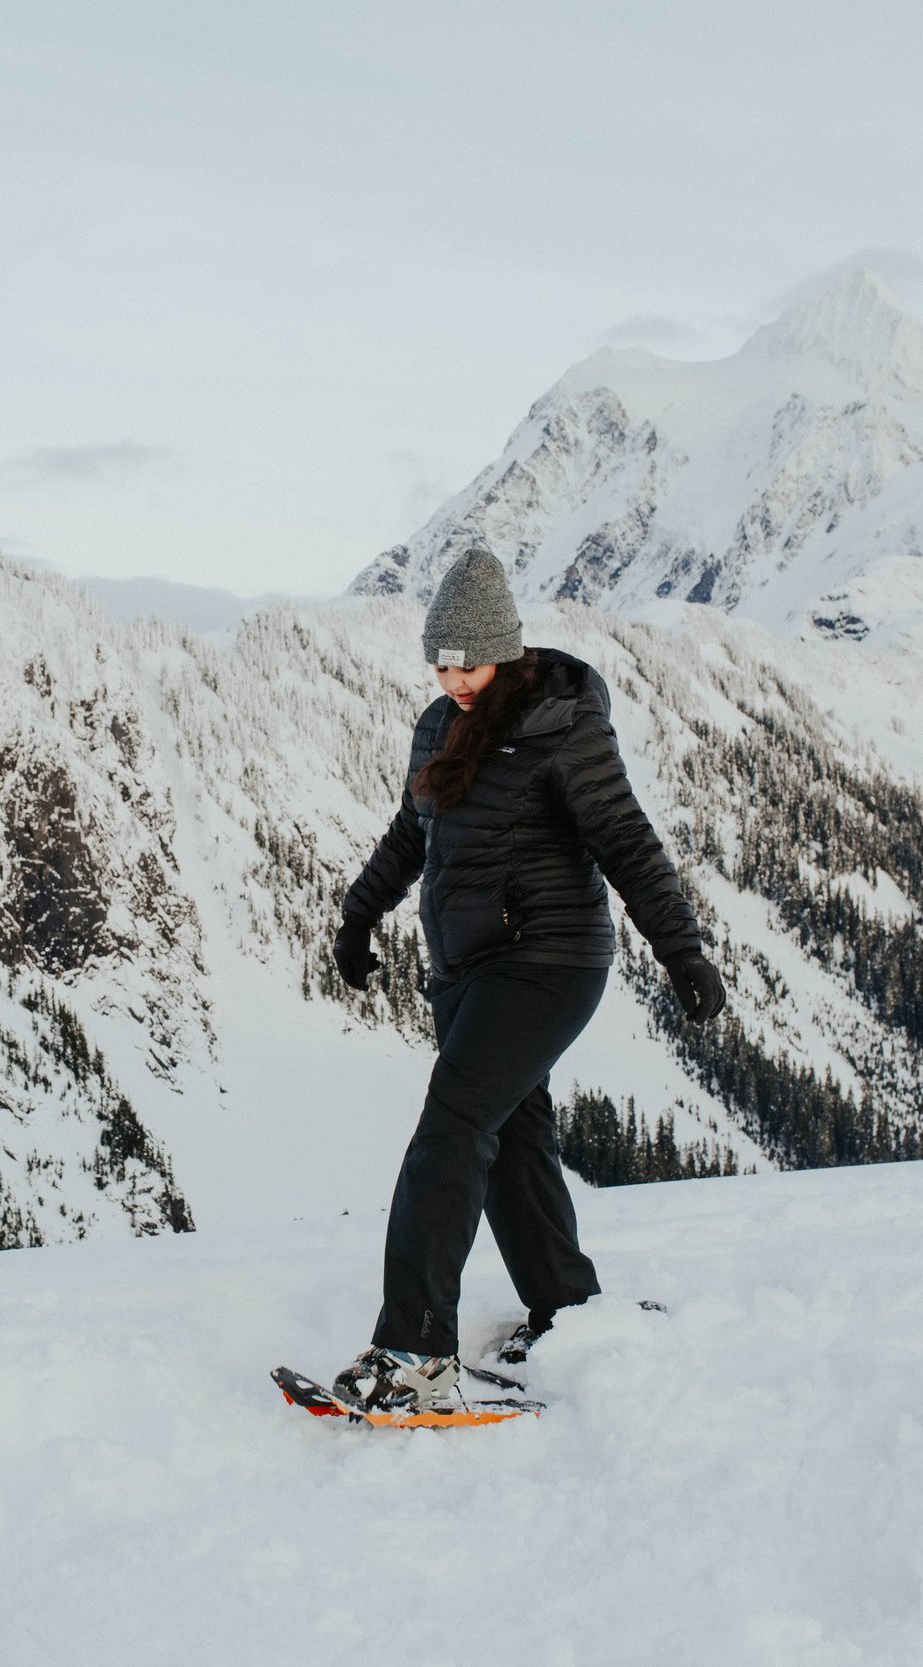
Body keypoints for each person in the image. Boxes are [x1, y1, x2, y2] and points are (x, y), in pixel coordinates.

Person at [327, 546, 727, 1413]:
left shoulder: (561, 725)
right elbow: (412, 835)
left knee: (453, 1128)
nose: (453, 676)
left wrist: (682, 951)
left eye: (467, 660)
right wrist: (360, 915)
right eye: (440, 659)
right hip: (465, 967)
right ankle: (567, 1306)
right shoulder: (437, 727)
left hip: (549, 960)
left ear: (504, 650)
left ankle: (415, 1349)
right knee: (509, 1135)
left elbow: (626, 840)